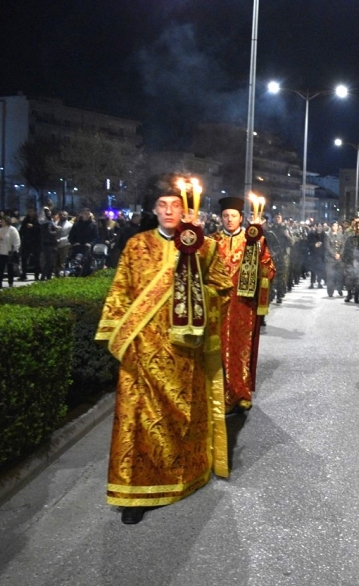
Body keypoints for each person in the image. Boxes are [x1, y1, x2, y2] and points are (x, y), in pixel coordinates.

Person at [95, 175, 233, 524]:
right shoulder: (136, 245)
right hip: (141, 354)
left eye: (175, 206)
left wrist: (199, 303)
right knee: (137, 423)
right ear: (155, 210)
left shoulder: (203, 247)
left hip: (183, 354)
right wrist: (121, 337)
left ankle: (184, 475)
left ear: (185, 210)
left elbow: (223, 288)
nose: (169, 211)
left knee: (180, 419)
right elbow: (120, 293)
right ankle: (134, 495)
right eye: (163, 205)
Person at [211, 197, 276, 413]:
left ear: (241, 218)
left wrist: (260, 264)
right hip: (218, 306)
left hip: (243, 305)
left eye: (233, 216)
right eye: (225, 216)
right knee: (218, 350)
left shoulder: (253, 241)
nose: (229, 220)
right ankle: (220, 393)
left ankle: (241, 392)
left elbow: (269, 269)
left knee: (241, 350)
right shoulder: (211, 242)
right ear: (221, 218)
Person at [0, 215, 21, 288]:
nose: (1, 223)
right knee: (1, 268)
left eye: (3, 221)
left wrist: (15, 249)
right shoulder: (1, 230)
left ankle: (10, 282)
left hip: (9, 252)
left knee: (10, 268)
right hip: (1, 252)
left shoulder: (12, 230)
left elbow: (17, 241)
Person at [19, 206, 41, 281]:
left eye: (31, 211)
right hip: (26, 242)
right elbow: (21, 230)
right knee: (24, 258)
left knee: (36, 260)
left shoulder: (37, 219)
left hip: (35, 243)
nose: (30, 213)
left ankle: (37, 275)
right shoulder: (26, 220)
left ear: (34, 212)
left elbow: (40, 229)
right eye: (29, 211)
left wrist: (33, 227)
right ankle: (24, 274)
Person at [325, 221, 346, 297]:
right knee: (330, 275)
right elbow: (328, 247)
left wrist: (339, 254)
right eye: (334, 226)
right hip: (330, 259)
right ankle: (330, 292)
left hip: (339, 259)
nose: (335, 228)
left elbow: (343, 246)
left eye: (336, 226)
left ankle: (339, 289)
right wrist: (334, 254)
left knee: (340, 275)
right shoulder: (328, 235)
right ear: (331, 227)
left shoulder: (341, 235)